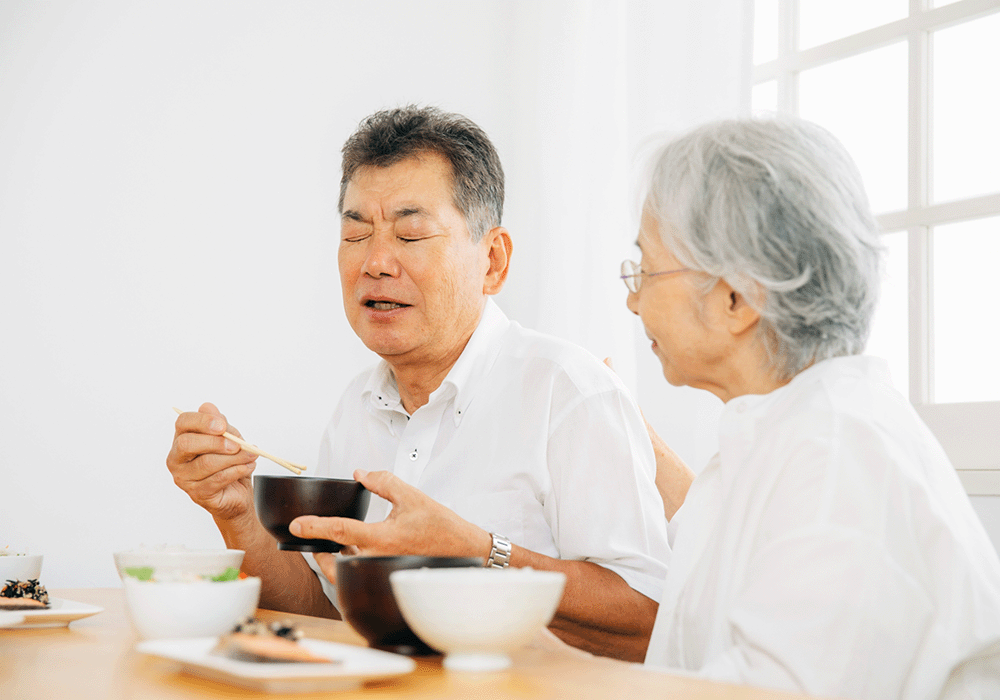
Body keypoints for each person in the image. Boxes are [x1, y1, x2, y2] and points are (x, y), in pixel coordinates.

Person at [167, 105, 677, 661]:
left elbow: (649, 622)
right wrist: (236, 512)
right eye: (356, 233)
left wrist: (482, 553)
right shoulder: (356, 407)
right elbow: (325, 613)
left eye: (410, 234)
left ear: (493, 261)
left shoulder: (568, 392)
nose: (376, 262)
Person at [626, 116, 1000, 698]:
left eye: (646, 270)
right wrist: (627, 431)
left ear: (736, 297)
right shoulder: (794, 430)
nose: (632, 301)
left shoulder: (839, 455)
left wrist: (545, 667)